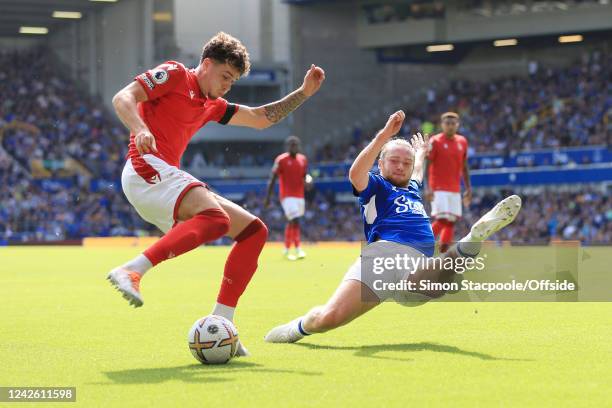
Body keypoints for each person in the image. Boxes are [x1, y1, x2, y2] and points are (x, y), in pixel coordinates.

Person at [106, 32, 325, 356]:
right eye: (225, 76)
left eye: (233, 81)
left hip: (164, 176)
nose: (227, 85)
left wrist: (304, 93)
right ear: (206, 64)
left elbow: (259, 119)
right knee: (215, 218)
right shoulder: (176, 74)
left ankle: (223, 325)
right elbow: (122, 97)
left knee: (253, 231)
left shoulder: (212, 104)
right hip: (145, 168)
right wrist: (140, 128)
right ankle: (132, 270)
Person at [264, 111, 521, 343]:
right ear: (381, 163)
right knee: (328, 319)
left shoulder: (412, 187)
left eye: (405, 163)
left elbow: (418, 170)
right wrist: (385, 135)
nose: (400, 166)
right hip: (384, 257)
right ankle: (295, 329)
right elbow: (355, 174)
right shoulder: (376, 185)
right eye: (394, 161)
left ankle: (471, 242)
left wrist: (419, 153)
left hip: (419, 261)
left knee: (439, 283)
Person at [425, 112, 472, 253]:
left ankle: (443, 252)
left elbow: (464, 166)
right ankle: (422, 243)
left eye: (453, 123)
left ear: (457, 125)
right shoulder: (435, 141)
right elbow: (427, 164)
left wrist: (468, 187)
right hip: (438, 187)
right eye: (447, 123)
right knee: (443, 219)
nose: (450, 126)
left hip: (455, 188)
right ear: (442, 125)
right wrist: (427, 187)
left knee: (451, 221)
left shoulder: (462, 141)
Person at [264, 135, 309, 260]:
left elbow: (305, 175)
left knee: (292, 221)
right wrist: (268, 197)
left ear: (298, 146)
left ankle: (286, 248)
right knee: (295, 220)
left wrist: (309, 181)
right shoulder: (281, 160)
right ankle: (298, 249)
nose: (293, 147)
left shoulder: (303, 159)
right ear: (287, 147)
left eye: (295, 144)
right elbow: (273, 178)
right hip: (287, 196)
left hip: (300, 195)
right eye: (291, 144)